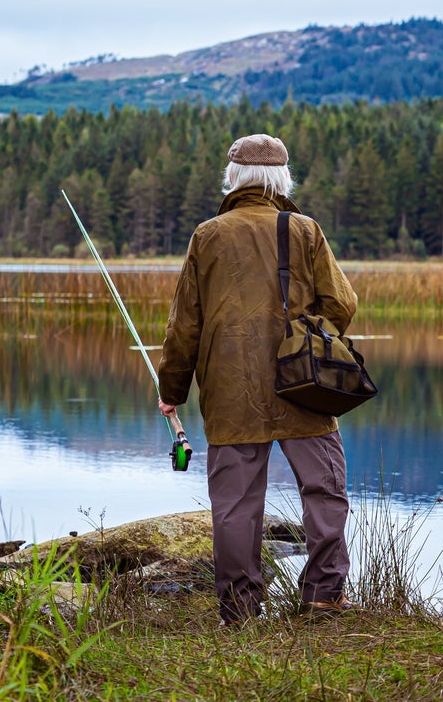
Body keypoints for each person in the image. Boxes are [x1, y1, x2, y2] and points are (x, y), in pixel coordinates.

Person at [157, 133, 358, 624]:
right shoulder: (305, 229)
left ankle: (241, 609)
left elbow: (185, 326)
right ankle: (323, 597)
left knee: (234, 505)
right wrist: (313, 340)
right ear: (281, 178)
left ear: (233, 177)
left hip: (229, 392)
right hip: (305, 383)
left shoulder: (207, 235)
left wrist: (171, 392)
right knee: (324, 490)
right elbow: (342, 304)